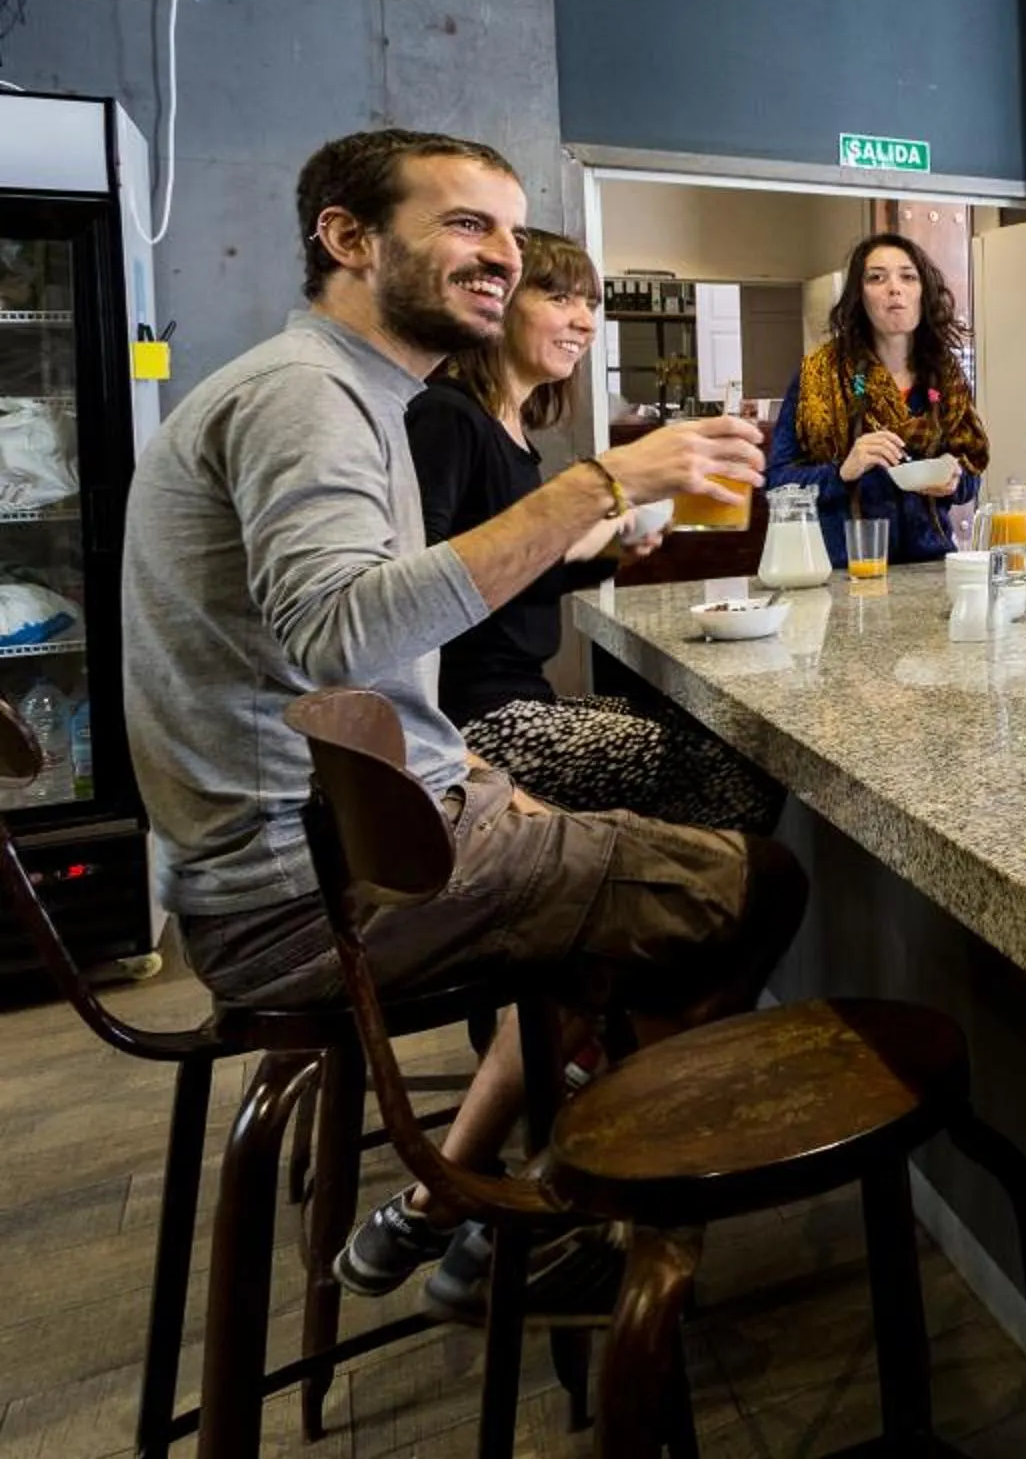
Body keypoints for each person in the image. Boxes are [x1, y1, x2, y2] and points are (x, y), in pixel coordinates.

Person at [123, 129, 807, 1319]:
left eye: (507, 228)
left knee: (601, 899)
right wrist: (602, 484)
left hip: (322, 853)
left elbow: (365, 658)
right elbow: (339, 629)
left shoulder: (351, 395)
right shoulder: (309, 396)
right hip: (315, 894)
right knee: (758, 881)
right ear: (347, 237)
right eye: (463, 225)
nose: (500, 255)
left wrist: (482, 783)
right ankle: (577, 1217)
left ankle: (482, 1196)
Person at [410, 228, 780, 832]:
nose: (583, 321)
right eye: (558, 298)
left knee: (707, 722)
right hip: (476, 722)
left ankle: (664, 886)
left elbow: (521, 569)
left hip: (522, 698)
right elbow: (425, 583)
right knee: (728, 767)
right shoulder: (448, 415)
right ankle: (685, 901)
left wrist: (614, 549)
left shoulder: (512, 432)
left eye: (590, 304)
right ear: (497, 304)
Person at [766, 232, 987, 566]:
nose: (894, 288)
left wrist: (955, 480)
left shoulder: (945, 376)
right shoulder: (818, 376)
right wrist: (842, 471)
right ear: (860, 295)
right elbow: (775, 486)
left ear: (922, 291)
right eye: (877, 278)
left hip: (930, 568)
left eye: (908, 276)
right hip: (844, 570)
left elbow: (970, 475)